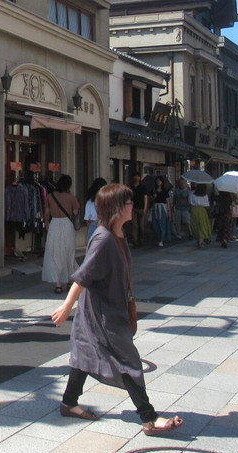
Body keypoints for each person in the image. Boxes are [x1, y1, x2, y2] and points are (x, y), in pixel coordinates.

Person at [50, 184, 183, 435]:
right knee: (128, 360)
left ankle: (69, 402)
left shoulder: (117, 234)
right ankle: (148, 416)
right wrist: (66, 307)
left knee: (85, 355)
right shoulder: (104, 239)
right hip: (101, 313)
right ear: (116, 208)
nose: (133, 207)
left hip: (110, 307)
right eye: (129, 203)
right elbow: (82, 276)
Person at [42, 174, 79, 294]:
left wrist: (46, 222)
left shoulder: (50, 196)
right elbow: (75, 212)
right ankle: (70, 279)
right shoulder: (71, 197)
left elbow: (47, 211)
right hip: (67, 224)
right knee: (69, 252)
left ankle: (58, 284)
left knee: (55, 253)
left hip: (54, 224)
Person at [149, 176, 172, 248]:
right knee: (155, 225)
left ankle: (161, 240)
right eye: (157, 181)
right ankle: (159, 238)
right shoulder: (153, 190)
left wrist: (169, 211)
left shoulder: (165, 191)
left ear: (162, 182)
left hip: (162, 208)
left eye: (159, 181)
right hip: (155, 208)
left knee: (162, 224)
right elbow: (151, 201)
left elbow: (167, 201)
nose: (158, 182)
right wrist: (153, 197)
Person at [189, 182, 212, 249]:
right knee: (202, 225)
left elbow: (190, 202)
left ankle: (198, 239)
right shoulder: (205, 195)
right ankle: (201, 240)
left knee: (195, 225)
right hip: (202, 210)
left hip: (194, 210)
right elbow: (207, 204)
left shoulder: (192, 193)